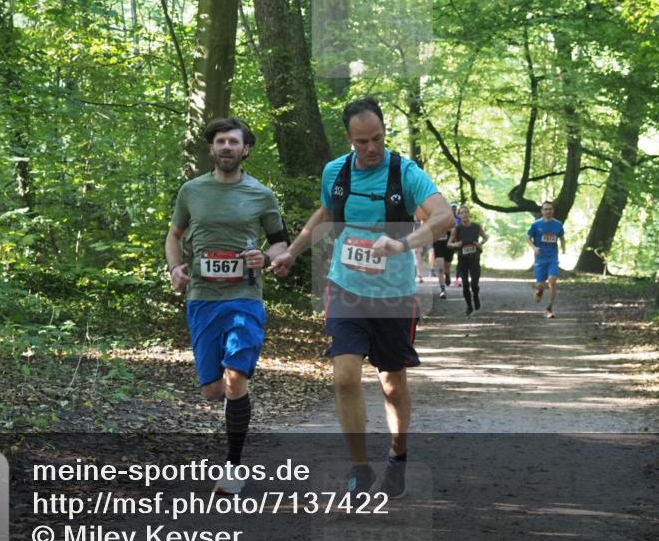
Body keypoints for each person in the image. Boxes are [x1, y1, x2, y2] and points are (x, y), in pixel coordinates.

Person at [271, 98, 453, 499]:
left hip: (394, 296)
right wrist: (292, 251)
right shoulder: (336, 172)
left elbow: (444, 218)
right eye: (362, 141)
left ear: (385, 132)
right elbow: (325, 213)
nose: (371, 148)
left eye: (378, 139)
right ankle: (359, 470)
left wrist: (403, 242)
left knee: (392, 383)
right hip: (346, 289)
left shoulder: (405, 173)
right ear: (349, 139)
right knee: (344, 377)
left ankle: (397, 456)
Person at [166, 117, 290, 495]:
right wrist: (175, 268)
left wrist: (266, 259)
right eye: (220, 141)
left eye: (233, 142)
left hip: (244, 298)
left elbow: (281, 245)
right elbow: (174, 236)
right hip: (203, 298)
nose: (226, 148)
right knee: (212, 389)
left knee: (236, 380)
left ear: (245, 149)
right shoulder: (191, 191)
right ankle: (232, 406)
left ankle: (233, 467)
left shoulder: (261, 194)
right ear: (211, 148)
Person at [447, 204, 489, 316]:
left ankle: (475, 295)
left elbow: (486, 237)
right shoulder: (457, 229)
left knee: (474, 283)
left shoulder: (476, 226)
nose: (464, 214)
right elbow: (449, 244)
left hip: (475, 258)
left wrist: (479, 244)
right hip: (463, 259)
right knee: (465, 284)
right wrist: (458, 243)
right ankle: (469, 305)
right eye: (462, 213)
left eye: (466, 212)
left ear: (469, 214)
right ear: (459, 215)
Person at [527, 200, 565, 319]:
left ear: (553, 211)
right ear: (542, 211)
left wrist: (564, 248)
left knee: (552, 281)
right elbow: (528, 238)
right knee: (540, 285)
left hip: (553, 258)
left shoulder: (558, 224)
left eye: (550, 209)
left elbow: (562, 237)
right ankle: (539, 290)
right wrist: (534, 248)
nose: (548, 211)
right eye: (546, 209)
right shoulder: (536, 225)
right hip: (540, 259)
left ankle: (549, 308)